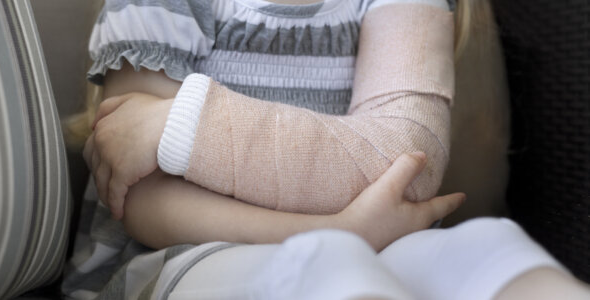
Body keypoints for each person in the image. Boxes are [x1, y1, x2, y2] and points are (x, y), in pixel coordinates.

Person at [62, 0, 590, 299]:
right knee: (329, 267)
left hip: (374, 232)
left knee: (485, 248)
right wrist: (338, 232)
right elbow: (142, 201)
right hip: (174, 255)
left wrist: (184, 124)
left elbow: (405, 161)